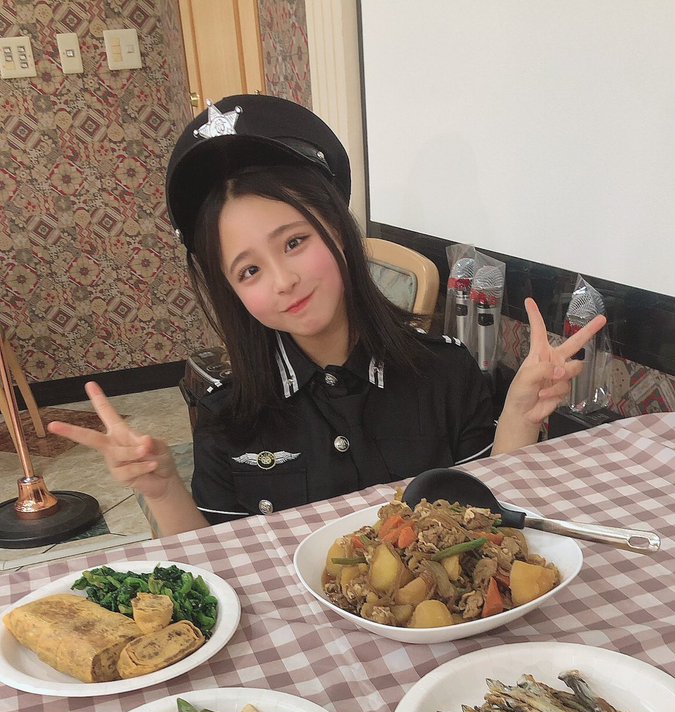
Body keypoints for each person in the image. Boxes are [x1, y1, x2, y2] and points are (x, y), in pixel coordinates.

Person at [49, 95, 605, 536]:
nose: (283, 280)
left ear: (338, 230)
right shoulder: (229, 415)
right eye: (249, 270)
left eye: (294, 242)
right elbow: (217, 565)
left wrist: (519, 416)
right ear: (232, 292)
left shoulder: (445, 372)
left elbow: (489, 518)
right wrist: (163, 489)